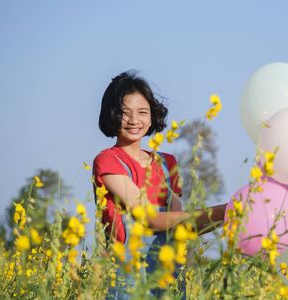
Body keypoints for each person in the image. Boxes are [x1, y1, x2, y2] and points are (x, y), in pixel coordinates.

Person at [93, 71, 226, 299]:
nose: (134, 120)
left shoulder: (167, 164)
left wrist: (231, 216)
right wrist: (226, 210)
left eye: (143, 112)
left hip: (169, 279)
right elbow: (149, 219)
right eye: (125, 113)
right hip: (130, 283)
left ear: (152, 116)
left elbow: (181, 226)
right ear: (111, 115)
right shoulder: (108, 161)